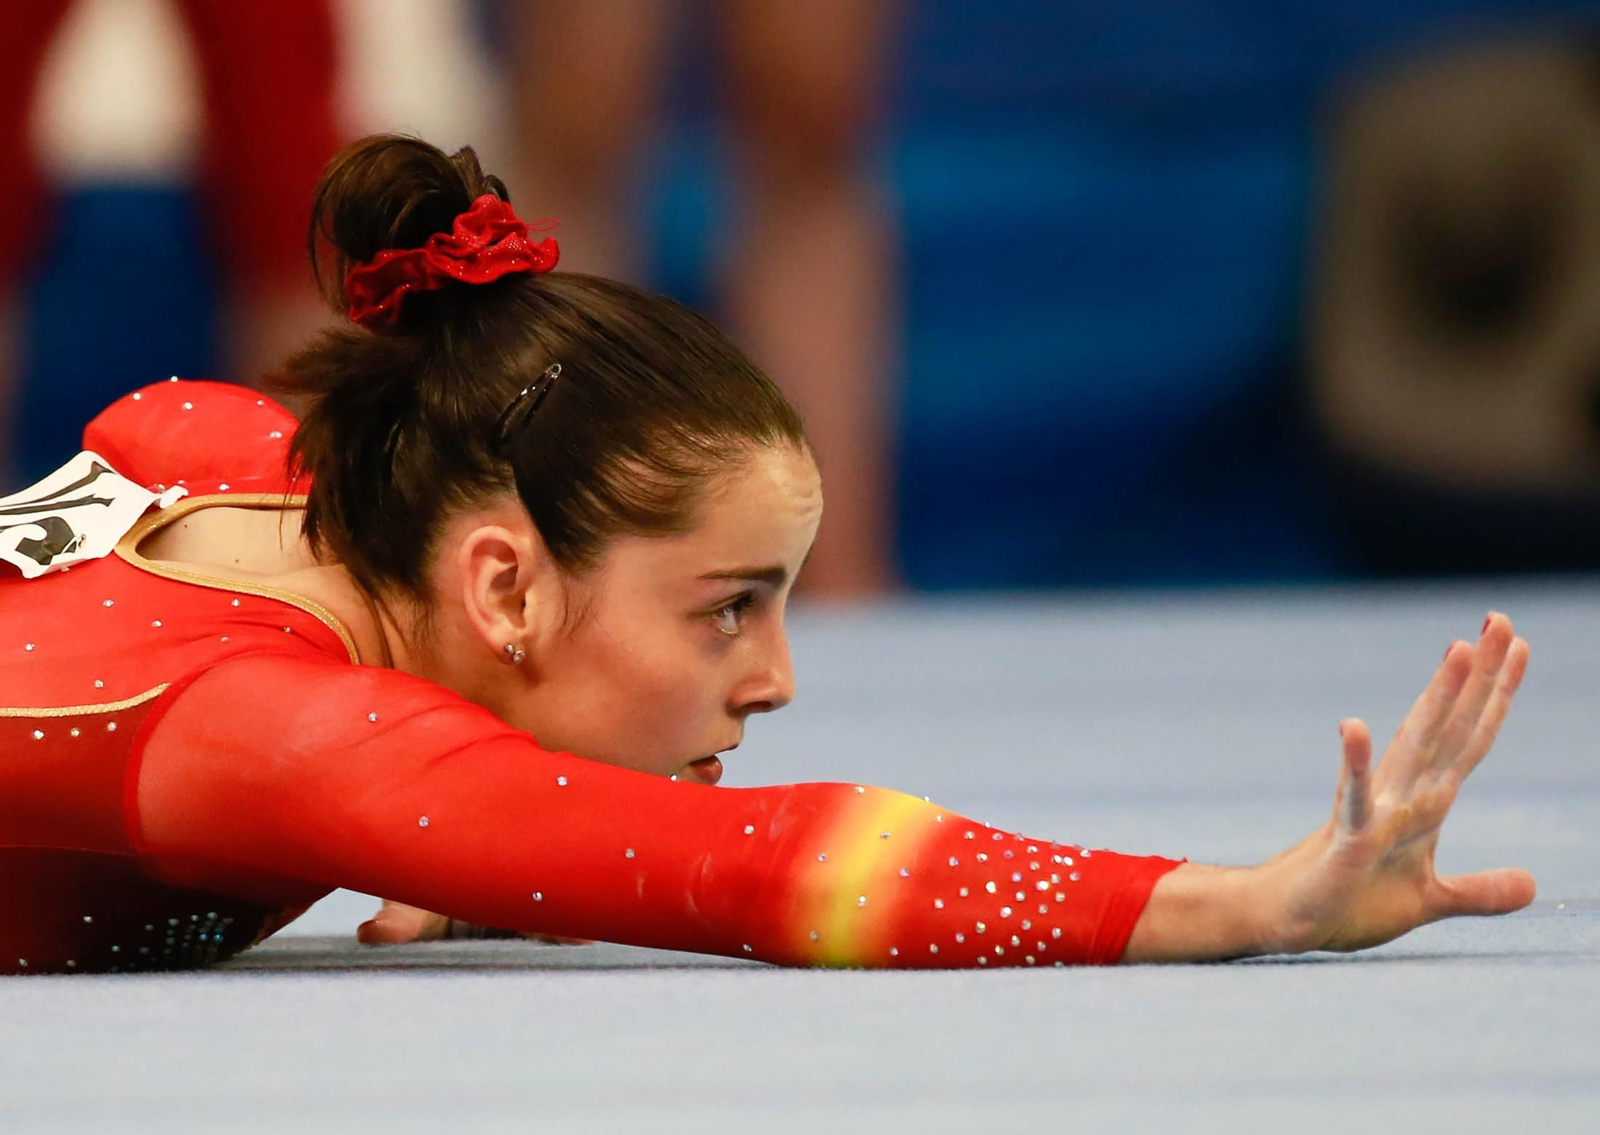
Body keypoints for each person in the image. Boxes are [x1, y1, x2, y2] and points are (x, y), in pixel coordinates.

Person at [0, 136, 1534, 975]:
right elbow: (755, 867)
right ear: (503, 586)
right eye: (729, 609)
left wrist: (463, 800)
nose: (780, 681)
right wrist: (1248, 906)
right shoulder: (288, 731)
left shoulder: (214, 444)